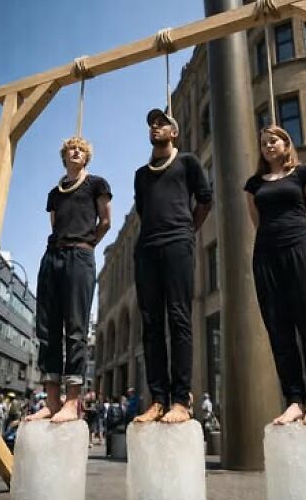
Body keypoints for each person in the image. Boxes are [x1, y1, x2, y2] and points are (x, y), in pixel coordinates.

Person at [244, 125, 306, 426]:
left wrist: (300, 243)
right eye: (263, 142)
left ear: (286, 144)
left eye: (273, 141)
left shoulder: (304, 173)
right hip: (266, 255)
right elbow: (258, 222)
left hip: (300, 248)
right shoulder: (253, 184)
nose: (268, 146)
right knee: (279, 330)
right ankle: (294, 399)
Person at [133, 108, 213, 424]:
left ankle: (181, 399)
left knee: (179, 318)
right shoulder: (141, 174)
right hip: (147, 249)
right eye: (152, 123)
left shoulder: (188, 162)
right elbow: (143, 209)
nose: (156, 126)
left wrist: (187, 231)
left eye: (162, 122)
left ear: (174, 132)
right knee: (151, 325)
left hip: (178, 243)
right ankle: (158, 399)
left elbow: (205, 200)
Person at [27, 135, 112, 424]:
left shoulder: (97, 184)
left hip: (80, 255)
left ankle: (72, 400)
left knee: (75, 327)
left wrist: (87, 245)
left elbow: (106, 222)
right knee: (47, 327)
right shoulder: (55, 192)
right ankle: (51, 400)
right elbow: (55, 225)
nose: (75, 152)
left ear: (86, 156)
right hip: (53, 256)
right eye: (70, 149)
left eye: (80, 150)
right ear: (64, 157)